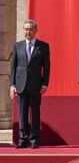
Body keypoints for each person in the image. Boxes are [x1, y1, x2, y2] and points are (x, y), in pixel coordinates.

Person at [10, 19, 50, 149]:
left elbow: (47, 66)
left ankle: (34, 139)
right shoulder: (17, 46)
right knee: (22, 113)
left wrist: (44, 84)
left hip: (36, 85)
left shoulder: (43, 46)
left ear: (35, 30)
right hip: (21, 84)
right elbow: (13, 67)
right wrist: (12, 85)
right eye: (26, 29)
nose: (28, 32)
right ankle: (23, 139)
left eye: (30, 29)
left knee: (35, 113)